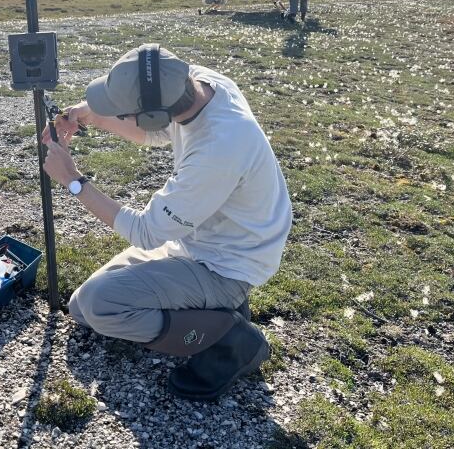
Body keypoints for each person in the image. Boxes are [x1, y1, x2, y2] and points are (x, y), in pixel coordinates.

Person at [42, 44, 292, 400]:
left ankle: (232, 339)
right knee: (82, 307)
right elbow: (155, 132)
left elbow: (146, 232)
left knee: (103, 306)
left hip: (229, 265)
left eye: (125, 111)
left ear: (154, 112)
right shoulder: (199, 82)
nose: (119, 114)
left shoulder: (219, 148)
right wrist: (90, 114)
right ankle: (211, 310)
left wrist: (73, 181)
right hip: (200, 240)